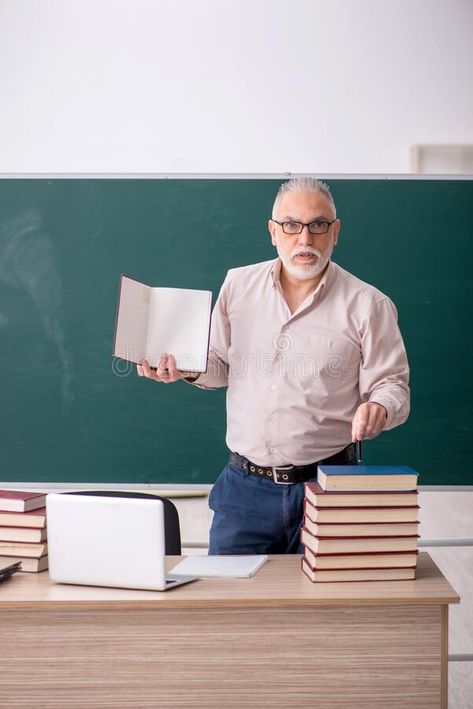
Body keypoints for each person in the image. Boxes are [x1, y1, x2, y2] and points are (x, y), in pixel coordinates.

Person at [138, 177, 410, 554]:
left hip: (329, 485)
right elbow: (218, 364)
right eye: (291, 225)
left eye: (318, 225)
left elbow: (392, 385)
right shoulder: (238, 285)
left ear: (336, 232)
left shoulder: (369, 305)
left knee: (325, 609)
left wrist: (380, 407)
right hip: (243, 491)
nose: (305, 239)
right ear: (272, 231)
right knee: (232, 606)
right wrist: (185, 368)